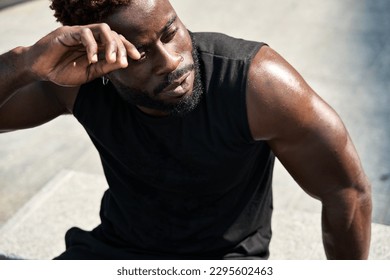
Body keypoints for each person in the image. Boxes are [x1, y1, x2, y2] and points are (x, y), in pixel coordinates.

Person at [0, 0, 372, 260]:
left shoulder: (257, 84)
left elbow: (346, 191)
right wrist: (24, 63)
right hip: (114, 252)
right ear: (101, 60)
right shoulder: (78, 84)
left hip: (223, 261)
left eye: (169, 32)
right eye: (140, 54)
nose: (171, 61)